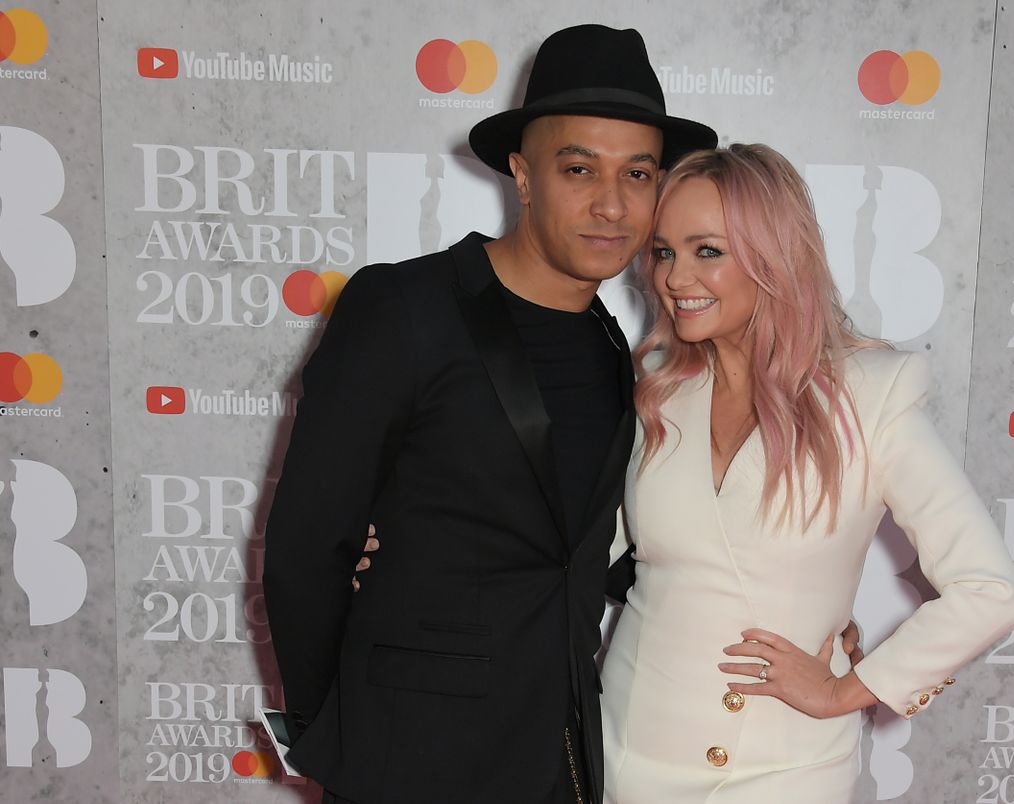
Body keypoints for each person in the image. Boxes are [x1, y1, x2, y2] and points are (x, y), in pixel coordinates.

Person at [261, 24, 716, 804]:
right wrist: (333, 735)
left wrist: (787, 597)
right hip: (410, 760)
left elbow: (591, 548)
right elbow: (307, 550)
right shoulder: (404, 307)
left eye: (637, 174)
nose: (611, 204)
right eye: (579, 168)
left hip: (560, 753)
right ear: (523, 173)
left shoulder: (616, 345)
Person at [598, 144, 1014, 802]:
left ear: (773, 256)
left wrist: (846, 690)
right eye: (663, 251)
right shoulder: (655, 390)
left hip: (783, 771)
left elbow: (989, 589)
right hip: (627, 751)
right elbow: (578, 551)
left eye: (706, 250)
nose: (675, 278)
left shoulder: (869, 395)